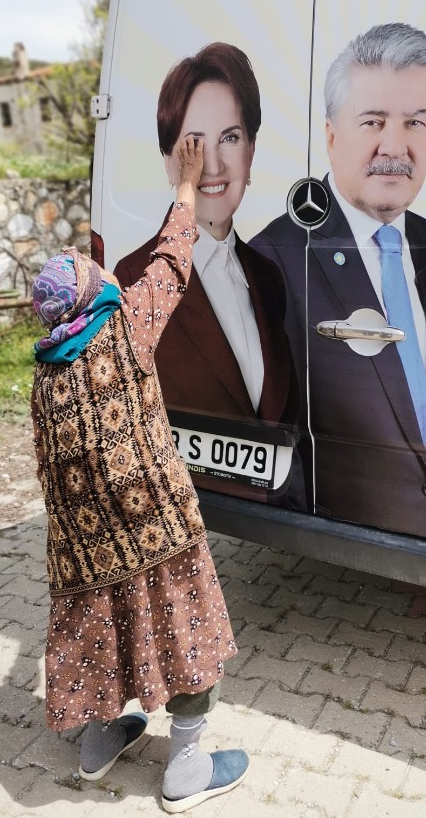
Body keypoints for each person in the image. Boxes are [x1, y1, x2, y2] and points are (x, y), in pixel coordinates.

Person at [30, 135, 248, 813]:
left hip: (84, 550)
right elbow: (174, 260)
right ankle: (185, 767)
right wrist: (186, 186)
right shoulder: (124, 327)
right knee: (180, 623)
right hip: (157, 529)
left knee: (103, 624)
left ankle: (100, 741)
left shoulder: (44, 376)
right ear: (95, 296)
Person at [252, 23, 426, 547]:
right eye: (373, 121)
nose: (394, 146)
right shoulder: (275, 258)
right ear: (332, 136)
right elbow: (272, 435)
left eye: (415, 122)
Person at [114, 42, 299, 506]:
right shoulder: (137, 276)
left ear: (252, 151)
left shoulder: (267, 275)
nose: (212, 165)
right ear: (168, 160)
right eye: (194, 144)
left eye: (230, 138)